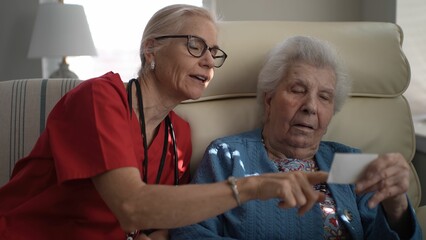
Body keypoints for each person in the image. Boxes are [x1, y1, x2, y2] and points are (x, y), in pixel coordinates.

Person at [0, 5, 332, 240]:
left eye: (214, 53)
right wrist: (253, 186)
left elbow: (163, 221)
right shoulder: (99, 99)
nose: (208, 61)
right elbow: (133, 207)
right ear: (151, 50)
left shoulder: (180, 135)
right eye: (195, 45)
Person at [169, 36, 423, 239]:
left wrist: (397, 207)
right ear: (269, 101)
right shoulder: (228, 156)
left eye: (324, 97)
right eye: (298, 90)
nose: (311, 106)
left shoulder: (350, 161)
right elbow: (189, 231)